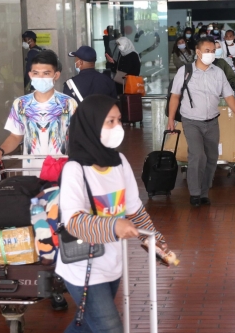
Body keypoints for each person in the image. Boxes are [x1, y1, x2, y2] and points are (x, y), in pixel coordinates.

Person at [56, 95, 172, 332]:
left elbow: (135, 210)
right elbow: (73, 222)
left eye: (119, 121)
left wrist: (154, 241)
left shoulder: (119, 161)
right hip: (82, 266)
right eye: (110, 121)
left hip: (111, 262)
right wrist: (113, 226)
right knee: (109, 328)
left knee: (87, 326)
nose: (117, 127)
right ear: (91, 124)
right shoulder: (74, 169)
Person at [167, 37, 235, 207]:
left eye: (213, 51)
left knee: (211, 157)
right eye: (207, 51)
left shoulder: (218, 72)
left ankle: (204, 192)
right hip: (191, 121)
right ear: (198, 52)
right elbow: (175, 96)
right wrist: (171, 119)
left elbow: (228, 95)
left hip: (212, 122)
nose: (211, 54)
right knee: (197, 155)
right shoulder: (185, 71)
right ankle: (194, 193)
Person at [0, 50, 78, 174]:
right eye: (36, 73)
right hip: (31, 172)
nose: (40, 77)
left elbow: (77, 137)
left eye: (46, 73)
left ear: (56, 75)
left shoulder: (69, 103)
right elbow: (15, 136)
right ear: (30, 75)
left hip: (62, 171)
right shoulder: (20, 104)